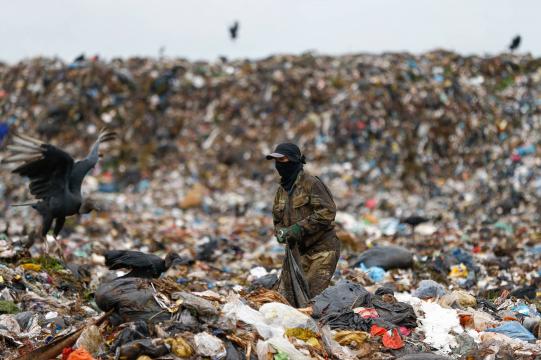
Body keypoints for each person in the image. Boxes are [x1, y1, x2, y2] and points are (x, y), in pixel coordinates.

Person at [266, 143, 340, 305]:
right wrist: (280, 233)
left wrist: (299, 228)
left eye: (283, 160)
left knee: (311, 301)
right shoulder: (282, 190)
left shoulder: (311, 184)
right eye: (276, 161)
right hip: (297, 253)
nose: (279, 165)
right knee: (288, 301)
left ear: (293, 160)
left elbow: (327, 212)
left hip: (321, 251)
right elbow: (278, 218)